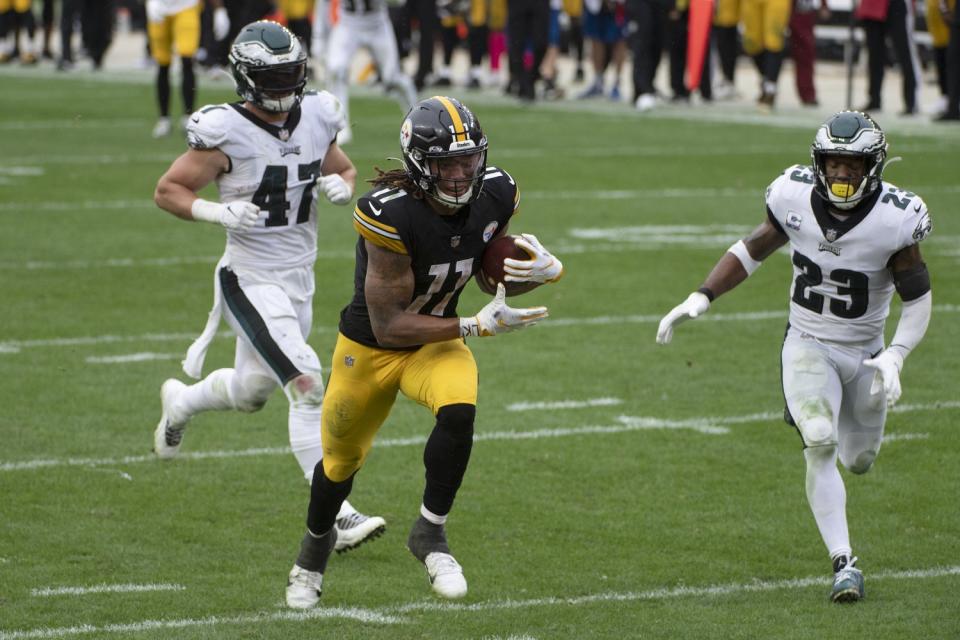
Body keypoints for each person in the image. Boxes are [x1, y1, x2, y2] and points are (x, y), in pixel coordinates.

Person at [284, 96, 564, 608]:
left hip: (435, 341)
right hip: (371, 349)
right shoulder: (388, 214)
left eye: (468, 160)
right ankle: (312, 552)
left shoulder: (496, 192)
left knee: (459, 411)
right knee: (338, 465)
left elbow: (484, 275)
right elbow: (389, 325)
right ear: (418, 162)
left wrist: (537, 273)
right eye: (446, 164)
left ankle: (430, 534)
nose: (460, 174)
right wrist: (474, 327)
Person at [656, 111, 932, 603]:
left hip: (866, 353)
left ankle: (836, 430)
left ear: (874, 166)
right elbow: (753, 248)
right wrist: (701, 296)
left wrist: (896, 354)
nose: (841, 174)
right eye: (834, 163)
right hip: (807, 342)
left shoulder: (897, 219)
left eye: (852, 164)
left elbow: (918, 299)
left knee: (860, 459)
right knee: (820, 439)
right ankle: (844, 563)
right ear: (818, 162)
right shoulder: (792, 196)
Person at [152, 20, 386, 553]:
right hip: (248, 277)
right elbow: (168, 190)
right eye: (273, 78)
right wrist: (217, 210)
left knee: (253, 392)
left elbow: (345, 169)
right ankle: (337, 515)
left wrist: (341, 185)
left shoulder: (318, 116)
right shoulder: (224, 131)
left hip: (298, 279)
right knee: (306, 384)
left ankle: (181, 402)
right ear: (247, 78)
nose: (284, 88)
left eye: (291, 76)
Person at [322, 0, 417, 144]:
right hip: (348, 24)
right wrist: (318, 37)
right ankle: (340, 126)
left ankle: (416, 120)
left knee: (392, 78)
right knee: (336, 70)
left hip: (377, 25)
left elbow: (399, 2)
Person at [147, 0, 230, 138]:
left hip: (186, 6)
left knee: (187, 58)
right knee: (163, 63)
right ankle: (164, 119)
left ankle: (188, 115)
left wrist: (219, 9)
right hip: (159, 6)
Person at [857, 0, 922, 115]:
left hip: (896, 4)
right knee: (874, 56)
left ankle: (911, 102)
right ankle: (874, 99)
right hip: (872, 5)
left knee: (905, 54)